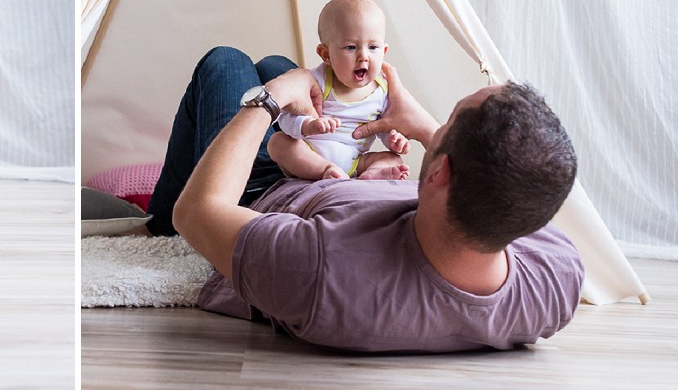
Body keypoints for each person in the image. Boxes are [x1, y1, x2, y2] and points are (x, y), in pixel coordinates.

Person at [148, 45, 583, 353]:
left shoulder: (321, 269)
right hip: (343, 173)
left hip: (266, 188)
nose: (434, 126)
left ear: (439, 173)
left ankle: (155, 220)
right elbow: (507, 177)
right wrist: (426, 132)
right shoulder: (555, 279)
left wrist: (273, 98)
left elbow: (199, 212)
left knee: (229, 63)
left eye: (446, 120)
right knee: (282, 65)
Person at [269, 0, 409, 181]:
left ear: (384, 51)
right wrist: (308, 125)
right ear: (326, 54)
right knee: (277, 143)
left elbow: (381, 125)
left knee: (392, 158)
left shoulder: (382, 89)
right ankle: (325, 170)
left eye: (373, 47)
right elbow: (285, 118)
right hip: (310, 153)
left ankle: (370, 174)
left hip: (354, 160)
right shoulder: (317, 81)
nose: (364, 56)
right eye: (351, 47)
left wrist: (393, 139)